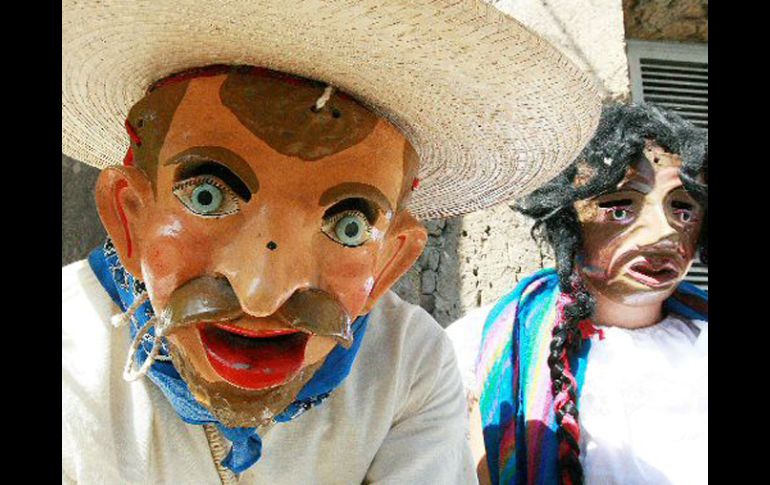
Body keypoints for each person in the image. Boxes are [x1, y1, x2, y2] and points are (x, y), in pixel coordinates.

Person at [61, 1, 600, 483]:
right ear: (129, 218)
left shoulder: (408, 364)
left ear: (388, 264)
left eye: (348, 227)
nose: (261, 296)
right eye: (206, 196)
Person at [448, 103, 708, 485]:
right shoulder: (488, 345)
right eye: (620, 209)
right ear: (567, 217)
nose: (663, 233)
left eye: (683, 210)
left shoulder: (700, 341)